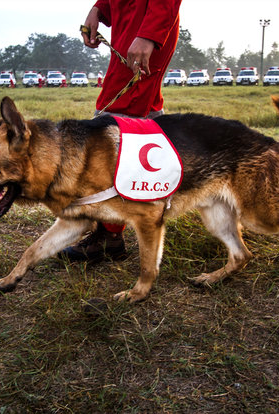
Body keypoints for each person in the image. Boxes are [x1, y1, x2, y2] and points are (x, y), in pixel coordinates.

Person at [61, 0, 182, 263]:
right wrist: (99, 10)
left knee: (113, 122)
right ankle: (151, 203)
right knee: (142, 120)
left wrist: (149, 34)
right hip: (129, 22)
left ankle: (110, 235)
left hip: (145, 23)